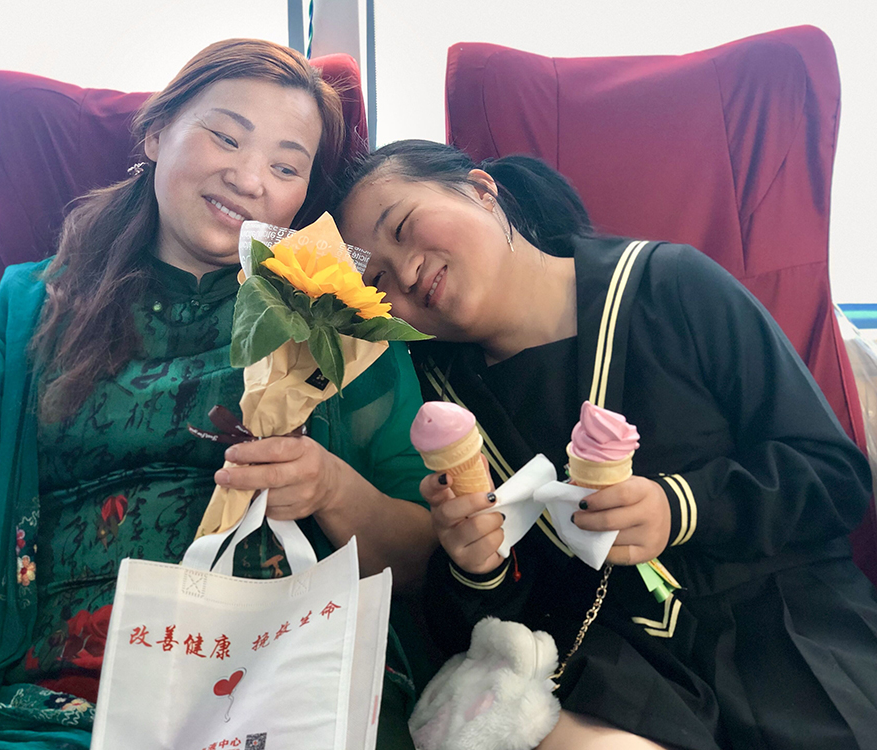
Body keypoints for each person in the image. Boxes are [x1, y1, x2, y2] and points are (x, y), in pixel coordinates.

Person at [0, 43, 436, 749]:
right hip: (56, 708)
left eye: (286, 167)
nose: (248, 178)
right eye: (225, 137)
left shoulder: (340, 321)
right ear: (156, 132)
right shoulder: (37, 303)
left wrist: (330, 487)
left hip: (283, 698)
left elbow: (422, 560)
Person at [334, 139, 877, 750]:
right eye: (377, 279)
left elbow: (834, 477)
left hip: (786, 624)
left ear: (482, 191)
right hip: (617, 668)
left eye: (403, 226)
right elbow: (486, 622)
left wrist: (679, 508)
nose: (405, 273)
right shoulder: (432, 401)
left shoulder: (668, 283)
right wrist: (477, 567)